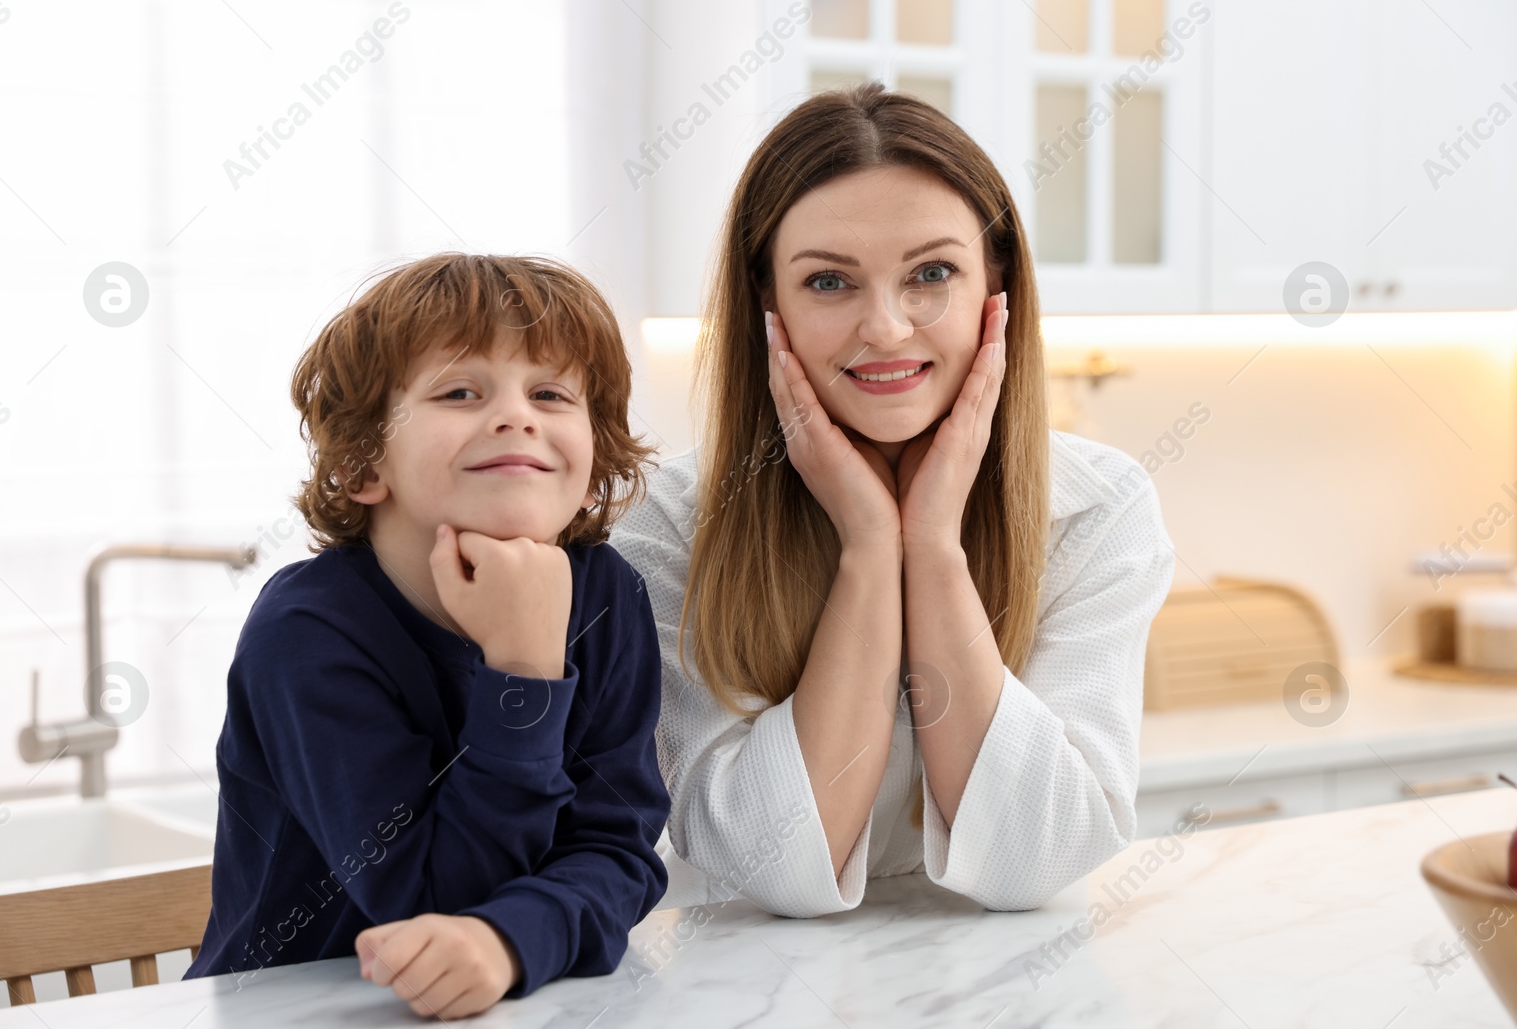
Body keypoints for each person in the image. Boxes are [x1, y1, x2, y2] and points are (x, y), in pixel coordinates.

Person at [611, 83, 1176, 918]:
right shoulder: (670, 524)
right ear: (769, 305)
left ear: (998, 288)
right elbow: (767, 866)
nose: (885, 327)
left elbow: (1040, 856)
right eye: (830, 282)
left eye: (932, 273)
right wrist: (871, 548)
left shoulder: (1098, 506)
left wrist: (934, 546)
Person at [185, 253, 670, 1020]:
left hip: (520, 1000)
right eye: (459, 392)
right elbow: (428, 901)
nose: (519, 415)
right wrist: (524, 670)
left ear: (593, 455)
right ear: (360, 461)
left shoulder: (607, 592)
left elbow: (619, 853)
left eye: (550, 392)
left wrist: (509, 941)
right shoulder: (307, 632)